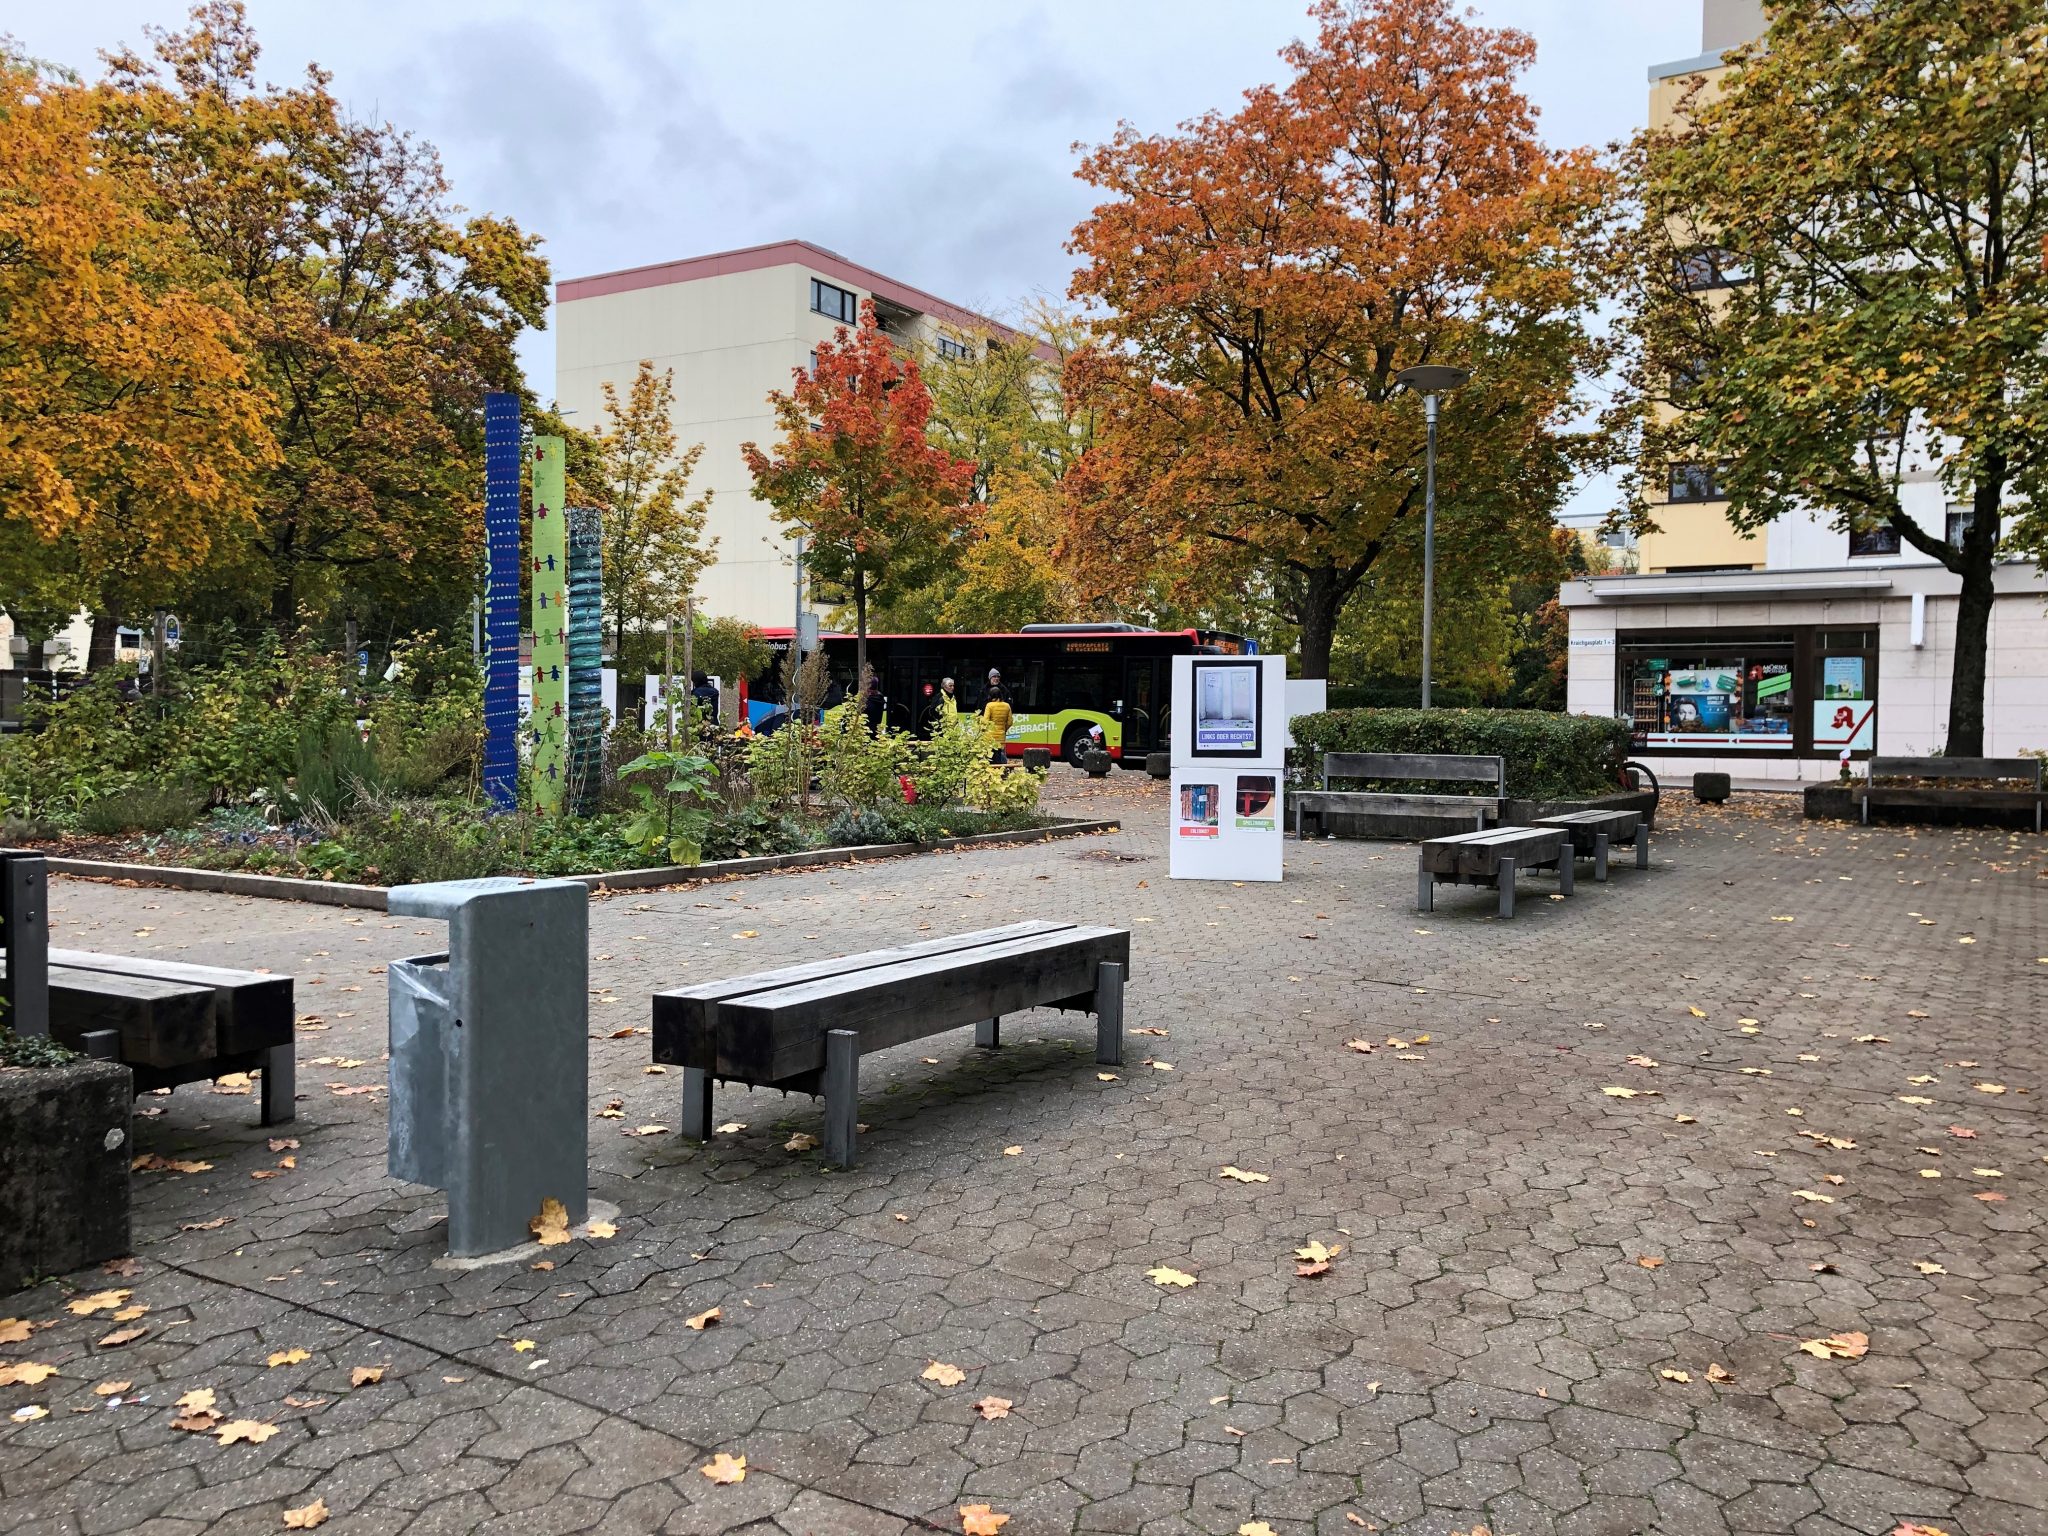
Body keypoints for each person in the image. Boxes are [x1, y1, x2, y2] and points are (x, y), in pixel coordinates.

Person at [980, 669, 1013, 762]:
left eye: (998, 677)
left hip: (989, 734)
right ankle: (1002, 768)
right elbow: (1010, 721)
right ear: (990, 678)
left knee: (989, 755)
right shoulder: (1006, 705)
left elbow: (985, 720)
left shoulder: (989, 704)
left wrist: (984, 729)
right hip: (1001, 734)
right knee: (1000, 753)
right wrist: (1003, 728)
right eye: (994, 676)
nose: (996, 678)